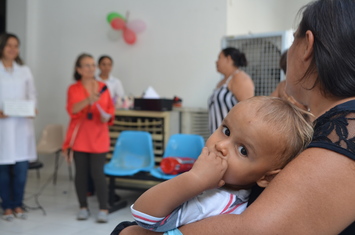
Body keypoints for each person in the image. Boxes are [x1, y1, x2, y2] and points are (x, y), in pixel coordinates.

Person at [119, 0, 355, 234]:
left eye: (294, 40)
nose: (222, 146)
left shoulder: (344, 131)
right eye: (226, 131)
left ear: (307, 47)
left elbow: (254, 229)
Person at [129, 96, 313, 232]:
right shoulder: (222, 192)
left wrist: (195, 179)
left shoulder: (215, 200)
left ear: (267, 177)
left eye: (243, 150)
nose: (221, 146)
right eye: (226, 130)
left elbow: (144, 216)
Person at [62, 53, 115, 223]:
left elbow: (110, 109)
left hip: (99, 136)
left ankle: (103, 208)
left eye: (93, 65)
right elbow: (72, 109)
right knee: (81, 174)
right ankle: (83, 207)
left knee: (98, 174)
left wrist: (107, 116)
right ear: (78, 69)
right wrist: (88, 100)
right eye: (87, 65)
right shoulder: (73, 88)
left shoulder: (103, 87)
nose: (91, 68)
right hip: (80, 137)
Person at [0, 33, 37, 221]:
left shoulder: (24, 70)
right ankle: (6, 206)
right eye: (9, 45)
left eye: (16, 45)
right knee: (3, 171)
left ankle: (18, 204)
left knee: (21, 170)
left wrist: (32, 108)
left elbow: (32, 94)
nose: (13, 49)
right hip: (3, 128)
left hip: (22, 127)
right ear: (2, 46)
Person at [208, 47, 254, 134]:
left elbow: (248, 110)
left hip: (231, 137)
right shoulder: (222, 81)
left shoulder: (240, 78)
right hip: (216, 135)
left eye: (219, 58)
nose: (216, 61)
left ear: (228, 59)